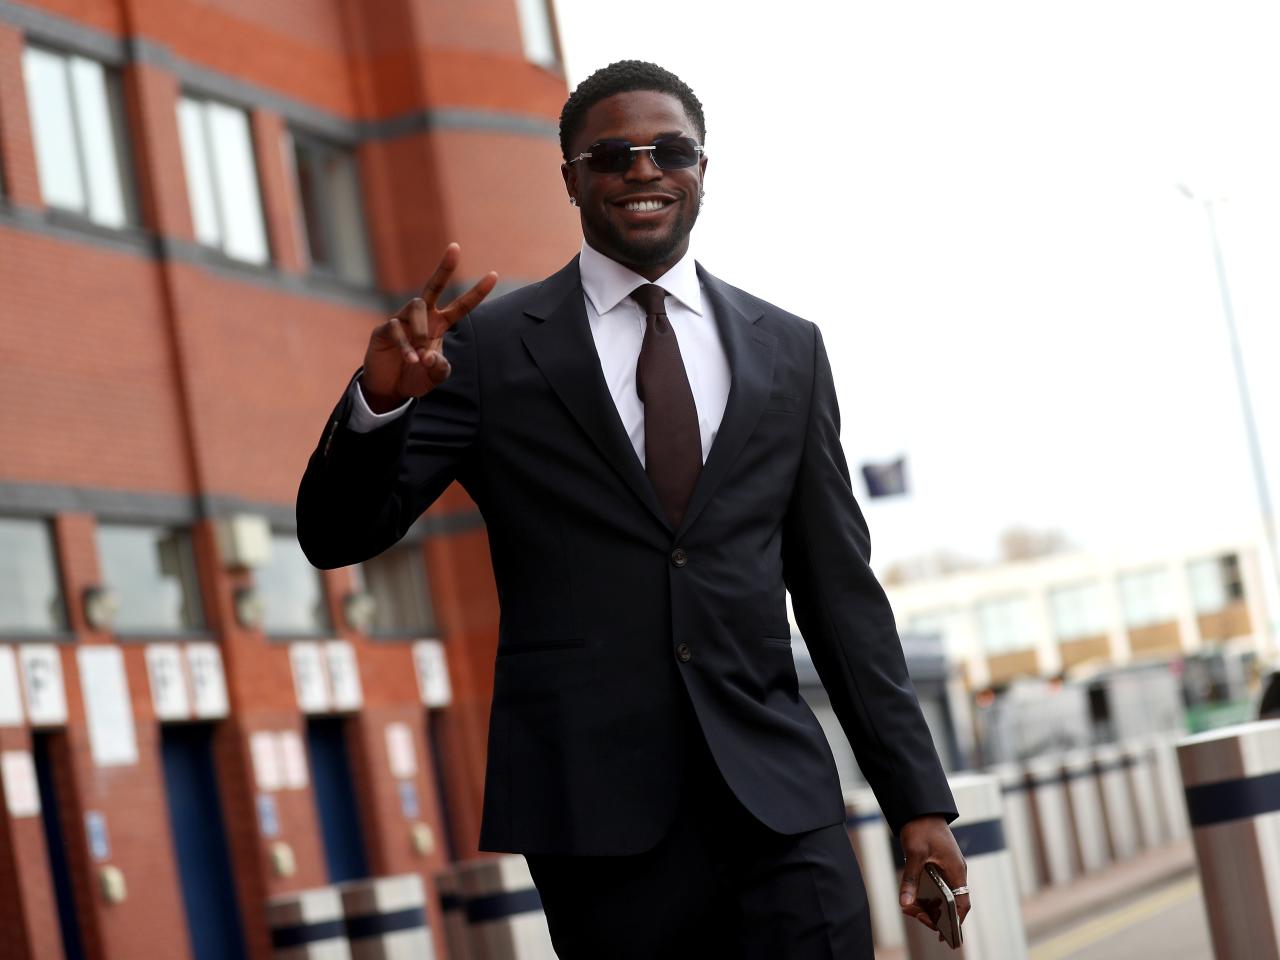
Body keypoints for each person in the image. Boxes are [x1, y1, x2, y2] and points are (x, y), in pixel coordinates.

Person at [298, 59, 968, 959]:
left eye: (670, 151)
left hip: (778, 804)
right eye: (612, 156)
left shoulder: (790, 350)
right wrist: (380, 406)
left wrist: (916, 801)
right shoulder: (492, 351)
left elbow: (840, 596)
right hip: (596, 821)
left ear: (702, 169)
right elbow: (336, 536)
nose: (643, 171)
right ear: (571, 176)